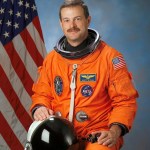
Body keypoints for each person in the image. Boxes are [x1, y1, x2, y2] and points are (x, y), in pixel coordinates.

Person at [30, 0, 139, 149]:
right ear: (61, 24)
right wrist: (40, 107)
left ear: (88, 20)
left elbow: (125, 101)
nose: (72, 25)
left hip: (97, 135)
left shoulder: (110, 58)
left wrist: (114, 131)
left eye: (77, 19)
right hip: (60, 134)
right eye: (67, 20)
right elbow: (42, 93)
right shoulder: (52, 59)